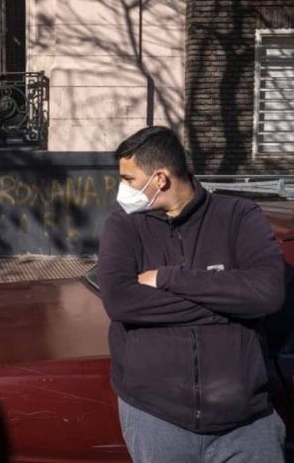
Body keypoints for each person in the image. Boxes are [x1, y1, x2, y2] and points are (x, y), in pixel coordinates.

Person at [98, 126, 286, 462]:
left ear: (160, 179)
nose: (121, 189)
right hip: (156, 416)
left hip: (246, 422)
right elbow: (120, 301)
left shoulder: (239, 216)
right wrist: (230, 303)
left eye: (128, 178)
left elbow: (267, 293)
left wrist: (171, 278)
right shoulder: (124, 226)